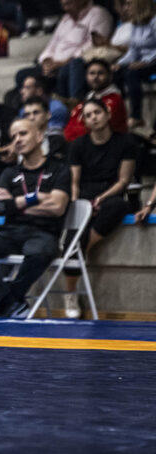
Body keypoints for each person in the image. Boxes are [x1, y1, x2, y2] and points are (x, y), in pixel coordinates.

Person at [0, 117, 70, 318]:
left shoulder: (59, 169)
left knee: (40, 252)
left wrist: (15, 204)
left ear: (38, 136)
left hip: (43, 233)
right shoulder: (9, 173)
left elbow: (57, 207)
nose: (17, 139)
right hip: (10, 233)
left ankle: (5, 300)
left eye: (23, 134)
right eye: (13, 136)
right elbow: (0, 207)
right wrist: (36, 198)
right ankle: (9, 301)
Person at [64, 99, 138, 318]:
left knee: (118, 206)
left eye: (97, 112)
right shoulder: (77, 145)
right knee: (71, 235)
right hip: (84, 195)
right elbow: (74, 181)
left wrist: (100, 199)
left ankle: (83, 249)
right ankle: (70, 295)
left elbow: (123, 180)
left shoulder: (126, 142)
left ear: (107, 114)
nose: (93, 117)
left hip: (111, 194)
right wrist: (78, 204)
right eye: (88, 115)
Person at [15, 0, 113, 100]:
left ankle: (75, 104)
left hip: (76, 63)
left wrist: (63, 62)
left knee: (73, 65)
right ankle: (31, 111)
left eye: (69, 3)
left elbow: (95, 44)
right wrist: (47, 61)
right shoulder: (65, 19)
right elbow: (53, 44)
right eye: (63, 5)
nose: (65, 8)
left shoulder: (98, 14)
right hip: (54, 66)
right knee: (22, 74)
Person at [112, 0, 156, 129]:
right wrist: (119, 63)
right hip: (141, 62)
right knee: (116, 72)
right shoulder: (136, 25)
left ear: (140, 4)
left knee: (132, 73)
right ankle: (120, 112)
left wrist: (145, 62)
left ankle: (136, 116)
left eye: (129, 4)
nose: (126, 8)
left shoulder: (154, 22)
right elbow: (133, 50)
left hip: (153, 61)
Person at [64, 58, 128, 142]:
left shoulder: (115, 100)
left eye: (100, 73)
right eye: (92, 73)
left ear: (110, 76)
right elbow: (68, 129)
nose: (95, 77)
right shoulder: (86, 101)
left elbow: (93, 129)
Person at [21, 95, 68, 160]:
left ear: (48, 115)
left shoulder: (57, 139)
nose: (31, 118)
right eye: (27, 114)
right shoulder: (20, 141)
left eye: (36, 113)